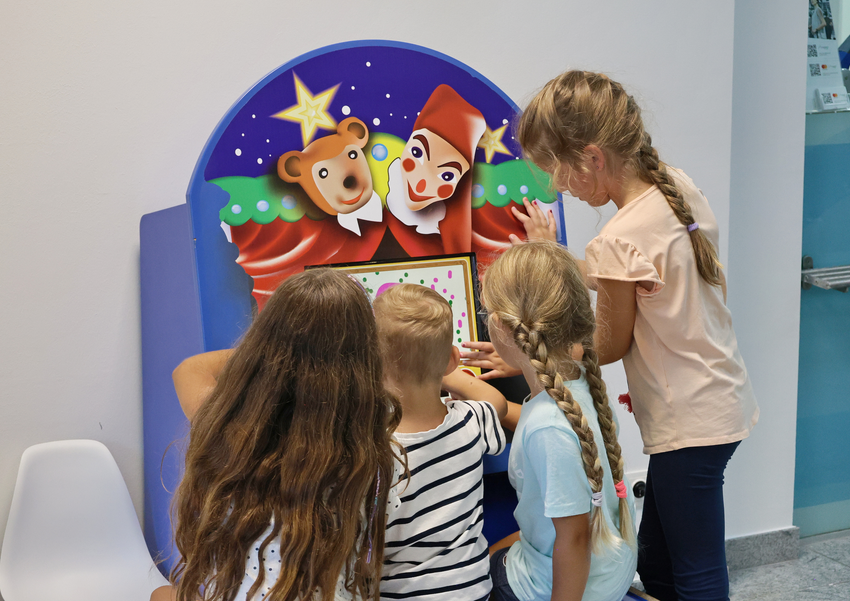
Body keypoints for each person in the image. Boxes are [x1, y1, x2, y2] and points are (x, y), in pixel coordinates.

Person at [508, 70, 759, 601]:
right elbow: (625, 274)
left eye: (556, 170)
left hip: (687, 421)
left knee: (696, 572)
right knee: (661, 560)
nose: (555, 186)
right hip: (719, 399)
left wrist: (532, 355)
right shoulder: (674, 185)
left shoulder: (618, 236)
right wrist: (555, 256)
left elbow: (610, 344)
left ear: (592, 158)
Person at [150, 269, 402, 601]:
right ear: (364, 355)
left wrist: (270, 352)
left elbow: (189, 369)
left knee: (161, 593)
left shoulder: (225, 426)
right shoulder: (368, 447)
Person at [452, 241, 637, 601]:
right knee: (503, 546)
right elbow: (547, 428)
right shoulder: (579, 385)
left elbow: (575, 539)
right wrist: (501, 407)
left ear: (504, 328)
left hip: (573, 585)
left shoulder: (548, 428)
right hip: (610, 568)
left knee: (479, 567)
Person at [371, 283, 507, 601]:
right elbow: (495, 400)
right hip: (472, 590)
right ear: (452, 360)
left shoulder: (371, 444)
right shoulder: (471, 421)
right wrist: (445, 369)